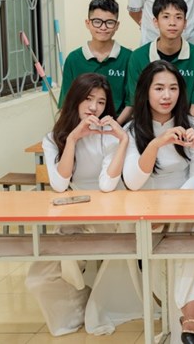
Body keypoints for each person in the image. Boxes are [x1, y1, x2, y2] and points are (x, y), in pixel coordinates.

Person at [122, 60, 194, 344]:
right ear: (146, 92)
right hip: (148, 212)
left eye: (173, 88)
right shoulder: (132, 130)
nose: (166, 95)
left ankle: (191, 319)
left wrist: (174, 211)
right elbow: (133, 181)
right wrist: (156, 143)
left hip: (185, 205)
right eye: (159, 88)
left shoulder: (191, 125)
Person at [26, 74, 142, 336]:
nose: (94, 107)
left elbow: (107, 185)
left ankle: (97, 300)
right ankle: (79, 301)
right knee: (44, 271)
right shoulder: (53, 138)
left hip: (111, 212)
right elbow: (59, 184)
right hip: (76, 211)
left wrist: (123, 140)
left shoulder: (110, 136)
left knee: (104, 245)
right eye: (89, 99)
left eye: (101, 102)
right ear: (75, 99)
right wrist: (72, 140)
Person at [125, 0, 194, 118]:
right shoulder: (138, 57)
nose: (172, 23)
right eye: (166, 17)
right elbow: (137, 100)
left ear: (185, 23)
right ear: (155, 22)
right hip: (148, 122)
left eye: (178, 17)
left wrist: (186, 126)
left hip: (185, 122)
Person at [58, 0, 133, 123]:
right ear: (88, 23)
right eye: (97, 21)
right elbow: (66, 102)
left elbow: (131, 102)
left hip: (118, 125)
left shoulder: (129, 58)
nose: (103, 27)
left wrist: (114, 126)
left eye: (110, 22)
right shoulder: (73, 59)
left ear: (117, 26)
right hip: (80, 125)